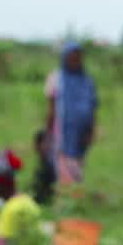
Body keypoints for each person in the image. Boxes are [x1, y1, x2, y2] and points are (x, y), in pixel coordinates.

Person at [44, 41, 98, 188]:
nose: (75, 61)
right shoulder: (56, 79)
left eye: (78, 58)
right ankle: (66, 191)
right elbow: (51, 109)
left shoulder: (87, 81)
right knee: (63, 162)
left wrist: (92, 130)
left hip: (81, 131)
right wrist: (48, 133)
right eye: (72, 58)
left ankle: (75, 189)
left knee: (78, 162)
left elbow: (92, 107)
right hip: (62, 131)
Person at [31, 129, 56, 205]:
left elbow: (41, 191)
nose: (49, 146)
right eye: (46, 143)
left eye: (50, 143)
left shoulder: (49, 165)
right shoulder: (45, 163)